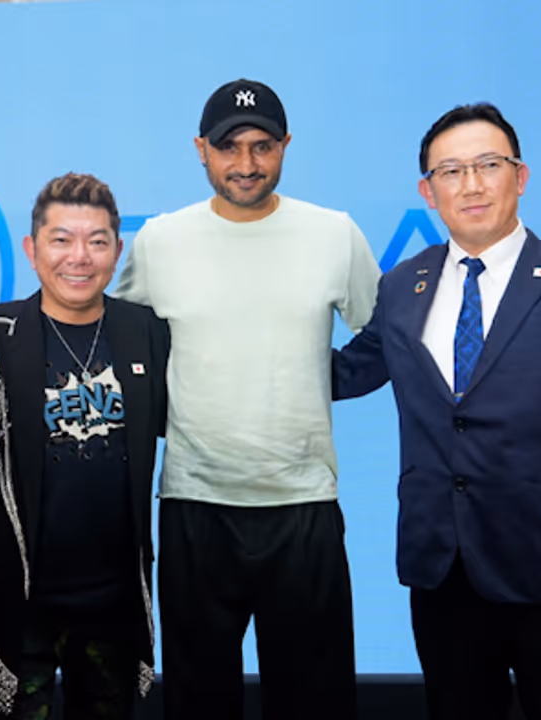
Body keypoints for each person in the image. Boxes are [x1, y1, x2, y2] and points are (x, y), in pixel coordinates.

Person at [332, 103, 541, 720]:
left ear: (520, 176)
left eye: (488, 165)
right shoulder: (402, 286)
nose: (471, 185)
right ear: (428, 192)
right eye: (450, 171)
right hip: (442, 568)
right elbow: (347, 373)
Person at [115, 78, 380, 720]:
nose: (246, 164)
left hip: (303, 503)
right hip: (195, 504)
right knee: (199, 702)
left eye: (262, 146)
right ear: (200, 150)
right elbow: (121, 347)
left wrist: (315, 379)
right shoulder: (161, 240)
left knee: (315, 703)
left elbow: (382, 338)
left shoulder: (333, 233)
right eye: (229, 147)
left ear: (285, 146)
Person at [0, 173, 169, 718]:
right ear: (32, 249)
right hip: (17, 597)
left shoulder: (146, 332)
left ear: (118, 251)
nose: (79, 257)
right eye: (61, 240)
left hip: (113, 599)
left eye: (97, 241)